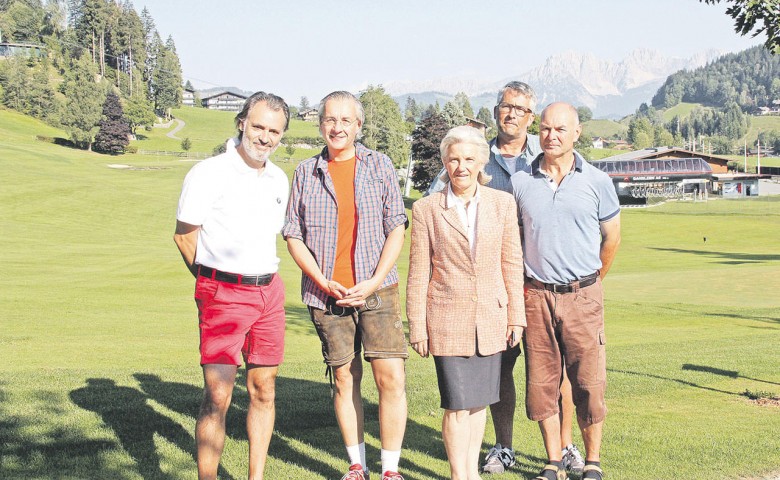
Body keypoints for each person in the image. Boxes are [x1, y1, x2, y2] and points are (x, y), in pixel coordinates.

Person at [427, 82, 585, 476]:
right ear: (497, 110)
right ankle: (503, 446)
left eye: (520, 109)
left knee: (557, 371)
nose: (511, 114)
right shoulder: (475, 154)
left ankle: (564, 446)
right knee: (498, 372)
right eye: (504, 106)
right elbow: (438, 200)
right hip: (492, 293)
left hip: (544, 284)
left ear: (531, 117)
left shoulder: (544, 156)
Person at [282, 91, 409, 480]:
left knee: (390, 378)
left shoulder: (379, 165)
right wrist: (321, 280)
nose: (337, 127)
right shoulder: (306, 172)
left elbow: (396, 226)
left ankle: (390, 471)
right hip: (327, 295)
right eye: (330, 120)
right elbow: (293, 234)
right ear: (321, 124)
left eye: (345, 120)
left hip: (377, 291)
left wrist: (373, 281)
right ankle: (358, 466)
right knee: (344, 378)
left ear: (358, 125)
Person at [173, 92, 291, 480]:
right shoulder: (208, 172)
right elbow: (184, 236)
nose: (265, 137)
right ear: (242, 123)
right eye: (258, 126)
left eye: (274, 131)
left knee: (264, 389)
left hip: (269, 292)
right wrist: (212, 285)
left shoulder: (278, 178)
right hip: (223, 293)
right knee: (218, 395)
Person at [407, 126, 526, 480]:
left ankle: (470, 473)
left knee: (477, 405)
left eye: (469, 159)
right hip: (447, 322)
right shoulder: (427, 209)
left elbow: (511, 263)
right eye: (454, 159)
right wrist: (417, 326)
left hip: (491, 320)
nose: (462, 166)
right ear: (445, 162)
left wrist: (516, 317)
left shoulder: (502, 204)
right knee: (458, 406)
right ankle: (460, 475)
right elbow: (419, 272)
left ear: (481, 162)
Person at [511, 102, 621, 480]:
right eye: (545, 128)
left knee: (588, 382)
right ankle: (553, 460)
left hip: (582, 294)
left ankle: (592, 461)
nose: (551, 136)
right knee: (542, 383)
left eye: (560, 129)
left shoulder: (597, 181)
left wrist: (591, 284)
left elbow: (612, 239)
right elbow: (515, 240)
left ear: (577, 132)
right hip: (536, 296)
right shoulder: (520, 182)